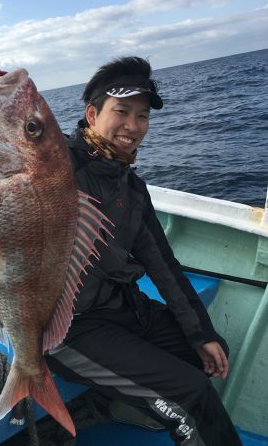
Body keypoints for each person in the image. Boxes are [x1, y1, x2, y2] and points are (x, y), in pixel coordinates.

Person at [45, 56, 242, 445]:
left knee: (207, 351)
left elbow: (163, 265)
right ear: (92, 113)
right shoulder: (54, 170)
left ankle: (113, 406)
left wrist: (201, 332)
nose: (133, 127)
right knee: (189, 395)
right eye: (122, 112)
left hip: (122, 307)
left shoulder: (130, 186)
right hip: (67, 327)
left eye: (143, 117)